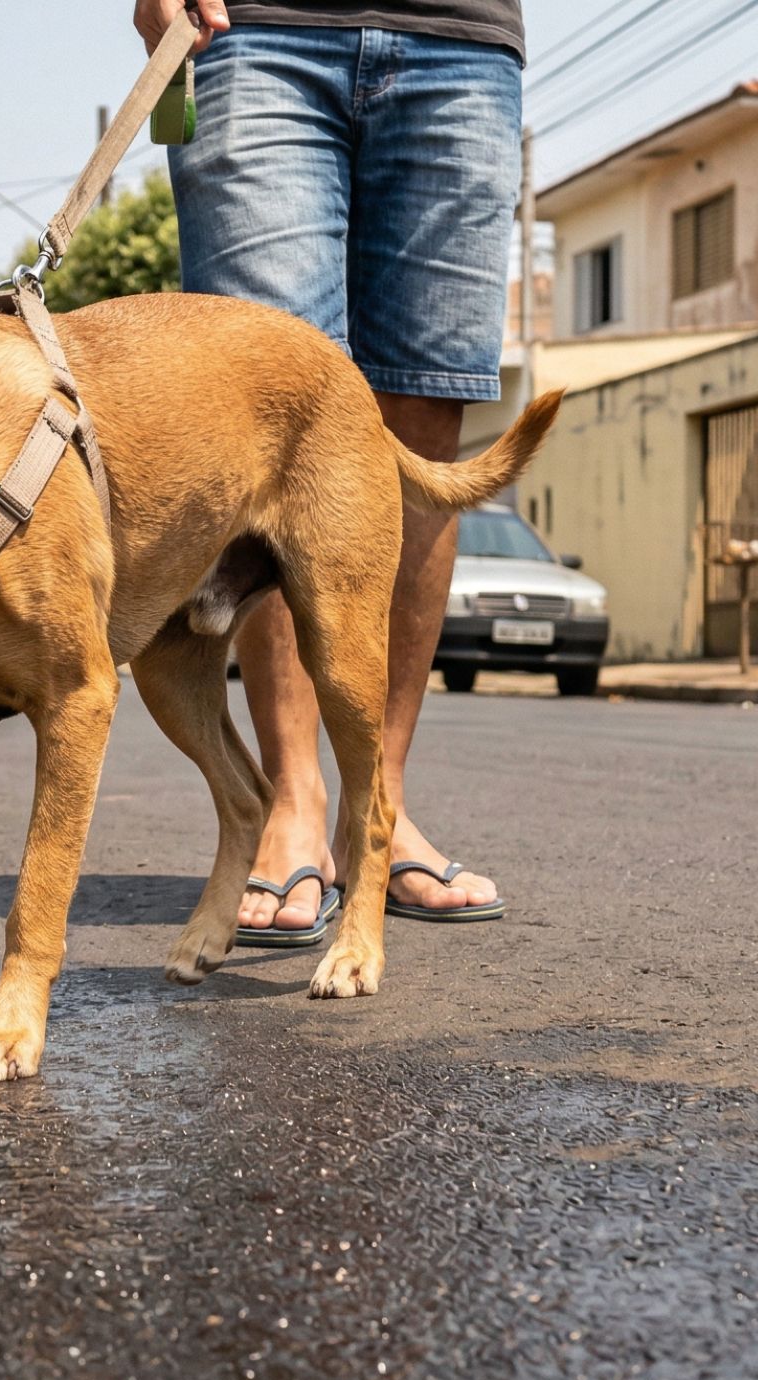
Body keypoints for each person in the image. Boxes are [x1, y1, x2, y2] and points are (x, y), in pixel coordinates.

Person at [132, 0, 520, 940]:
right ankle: (293, 797)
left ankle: (374, 808)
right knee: (270, 417)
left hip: (459, 41)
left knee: (424, 414)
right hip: (252, 30)